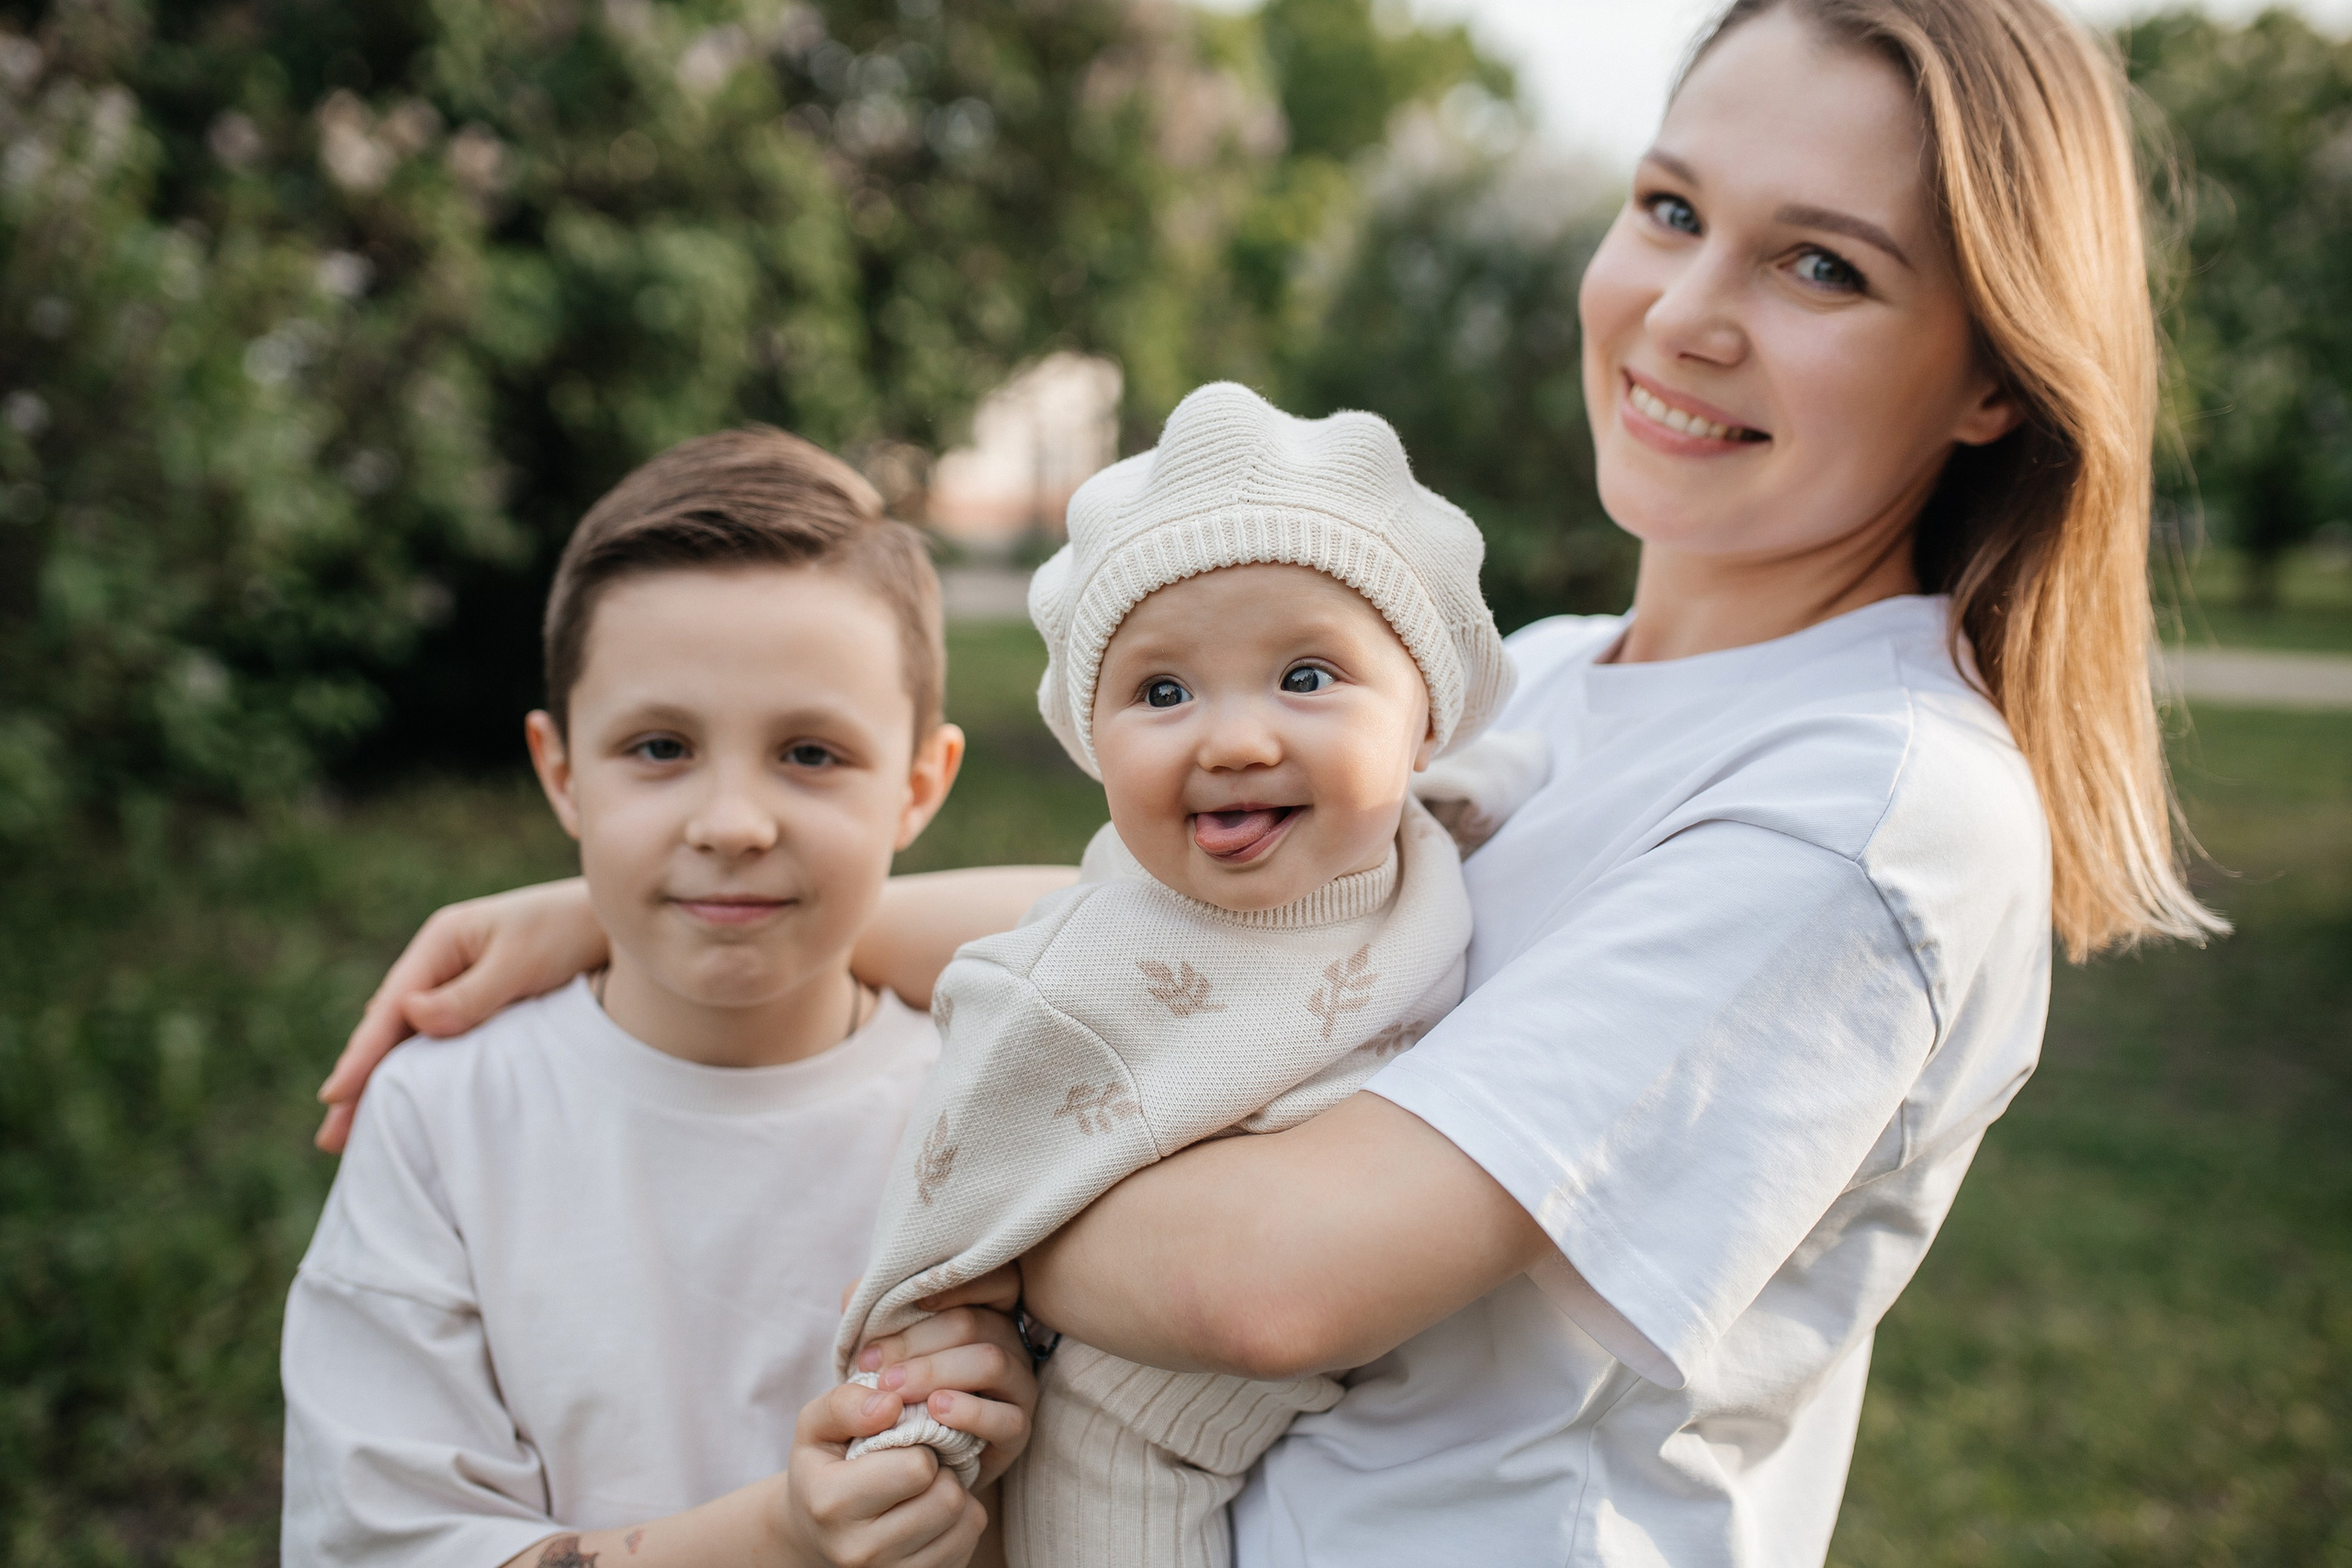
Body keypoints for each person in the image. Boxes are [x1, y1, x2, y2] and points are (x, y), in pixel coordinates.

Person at [316, 1, 2227, 1560]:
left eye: (1819, 266)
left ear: (1993, 375)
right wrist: (668, 914)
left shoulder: (1871, 808)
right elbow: (1195, 943)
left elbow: (1272, 1282)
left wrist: (953, 1178)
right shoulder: (1570, 675)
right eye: (1668, 208)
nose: (1683, 314)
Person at [281, 429, 1037, 1568]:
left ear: (920, 782)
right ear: (560, 771)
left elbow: (1211, 941)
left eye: (811, 754)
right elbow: (382, 1545)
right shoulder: (445, 1113)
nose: (731, 823)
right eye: (659, 746)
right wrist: (780, 1537)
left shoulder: (991, 1104)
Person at [835, 381, 1544, 1568]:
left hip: (1379, 1293)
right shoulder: (1079, 980)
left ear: (1426, 718)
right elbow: (952, 1166)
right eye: (1162, 692)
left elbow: (1493, 779)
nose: (1234, 739)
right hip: (1149, 1386)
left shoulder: (1432, 828)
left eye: (1306, 677)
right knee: (1106, 1469)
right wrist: (914, 1379)